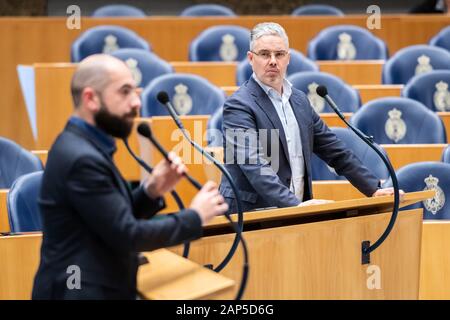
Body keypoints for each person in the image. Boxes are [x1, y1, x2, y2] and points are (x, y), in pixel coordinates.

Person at [32, 54, 228, 299]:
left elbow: (109, 220)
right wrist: (195, 216)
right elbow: (128, 235)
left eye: (136, 92)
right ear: (91, 98)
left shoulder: (86, 145)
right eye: (125, 92)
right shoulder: (81, 158)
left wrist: (151, 191)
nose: (136, 102)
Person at [219, 22, 399, 214]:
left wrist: (373, 189)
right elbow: (254, 165)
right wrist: (295, 205)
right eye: (264, 54)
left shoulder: (299, 101)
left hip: (296, 213)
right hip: (250, 214)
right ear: (251, 58)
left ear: (288, 58)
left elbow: (335, 151)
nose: (272, 61)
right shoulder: (238, 105)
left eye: (279, 54)